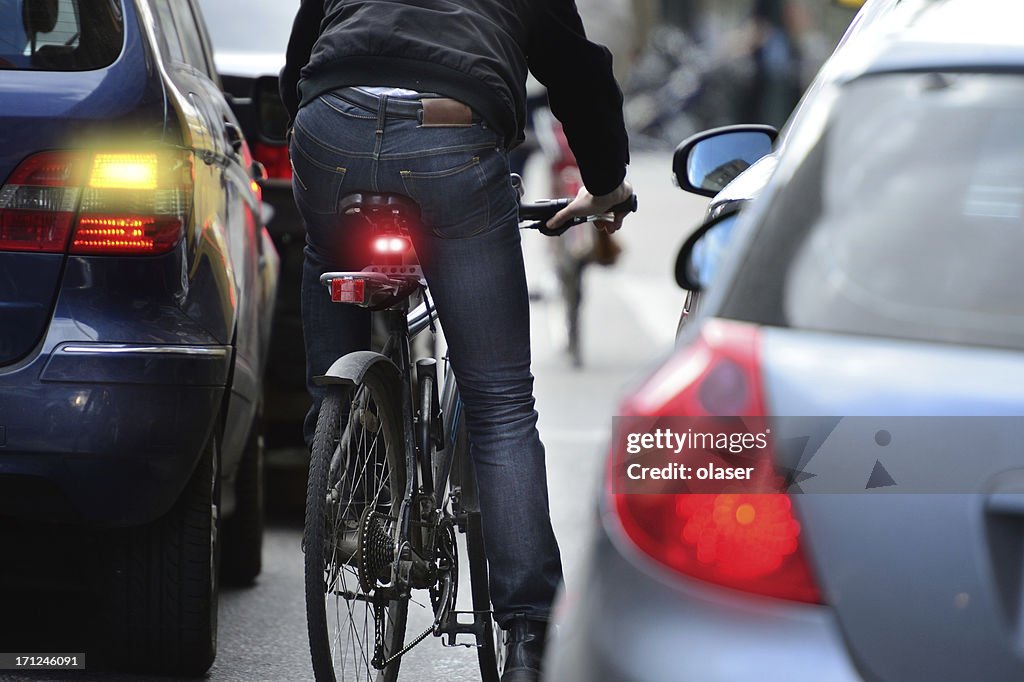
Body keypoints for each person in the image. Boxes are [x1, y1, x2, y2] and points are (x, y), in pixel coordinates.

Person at [280, 1, 633, 680]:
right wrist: (604, 184)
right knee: (500, 404)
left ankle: (343, 461)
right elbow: (578, 73)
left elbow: (300, 60)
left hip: (331, 124)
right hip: (451, 132)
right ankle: (528, 634)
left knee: (324, 258)